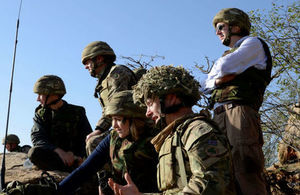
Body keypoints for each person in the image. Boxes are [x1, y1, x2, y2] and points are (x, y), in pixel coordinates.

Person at [109, 66, 236, 194]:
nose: (147, 113)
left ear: (171, 98)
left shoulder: (198, 131)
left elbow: (210, 184)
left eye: (150, 104)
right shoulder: (172, 136)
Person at [201, 8, 272, 195]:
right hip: (219, 117)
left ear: (236, 26)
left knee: (246, 170)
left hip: (239, 112)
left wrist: (217, 77)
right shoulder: (232, 54)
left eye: (220, 27)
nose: (217, 32)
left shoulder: (253, 43)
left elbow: (224, 67)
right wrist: (216, 80)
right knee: (224, 174)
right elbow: (205, 86)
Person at [58, 90, 159, 194]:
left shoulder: (156, 139)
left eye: (118, 119)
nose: (114, 125)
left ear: (134, 118)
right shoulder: (113, 138)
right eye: (112, 119)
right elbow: (85, 170)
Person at [81, 41, 137, 156]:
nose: (86, 67)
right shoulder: (103, 81)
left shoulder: (117, 73)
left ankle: (105, 175)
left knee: (94, 142)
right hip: (122, 125)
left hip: (133, 125)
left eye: (88, 62)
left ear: (100, 59)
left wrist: (99, 130)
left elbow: (116, 107)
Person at [28, 75, 92, 172]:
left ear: (52, 94)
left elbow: (86, 137)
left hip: (76, 158)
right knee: (34, 153)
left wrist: (77, 156)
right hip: (55, 157)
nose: (37, 99)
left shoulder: (77, 112)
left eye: (40, 94)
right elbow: (38, 138)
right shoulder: (40, 114)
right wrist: (59, 151)